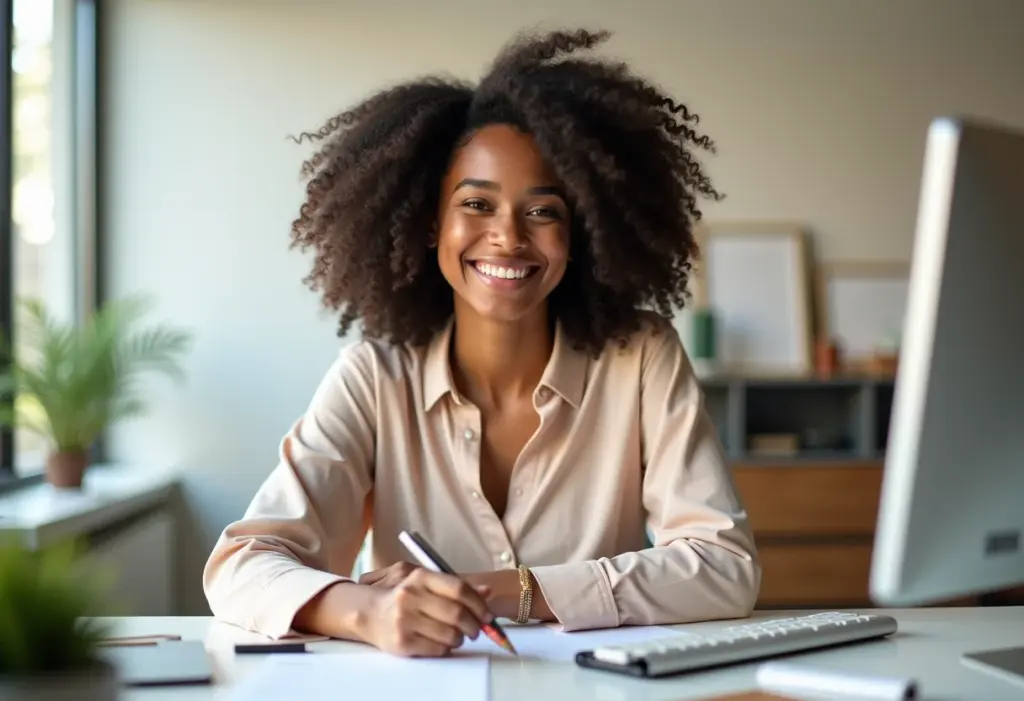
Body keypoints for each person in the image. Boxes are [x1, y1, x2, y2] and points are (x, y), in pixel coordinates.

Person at [203, 27, 761, 658]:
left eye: (543, 211)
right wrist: (370, 612)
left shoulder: (640, 357)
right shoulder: (374, 377)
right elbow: (240, 565)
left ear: (581, 232)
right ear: (429, 223)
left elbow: (725, 566)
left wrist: (502, 591)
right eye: (476, 204)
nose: (508, 237)